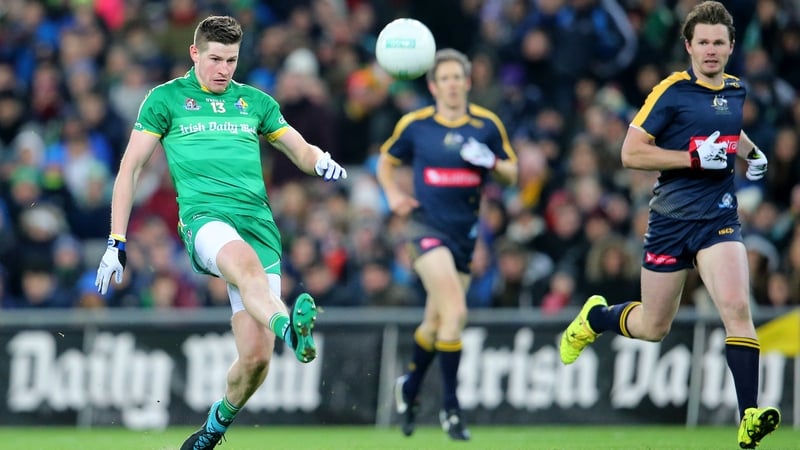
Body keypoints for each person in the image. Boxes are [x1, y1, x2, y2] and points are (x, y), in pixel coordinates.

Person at [94, 16, 347, 450]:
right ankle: (293, 333)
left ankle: (213, 428)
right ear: (195, 54)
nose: (223, 69)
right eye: (215, 59)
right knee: (245, 269)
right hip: (205, 219)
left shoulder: (256, 102)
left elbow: (298, 148)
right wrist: (116, 239)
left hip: (259, 225)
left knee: (254, 360)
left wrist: (319, 160)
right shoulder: (165, 100)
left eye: (231, 60)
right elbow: (130, 167)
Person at [558, 3, 779, 449]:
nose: (712, 50)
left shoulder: (736, 90)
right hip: (670, 223)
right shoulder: (672, 91)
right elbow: (630, 153)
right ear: (689, 46)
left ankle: (748, 417)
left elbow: (728, 133)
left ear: (732, 47)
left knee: (737, 308)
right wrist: (691, 159)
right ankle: (596, 318)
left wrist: (750, 153)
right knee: (654, 327)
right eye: (704, 43)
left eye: (719, 42)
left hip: (718, 218)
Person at [376, 48, 518, 441]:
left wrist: (489, 162)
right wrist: (392, 195)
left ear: (468, 82)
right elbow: (386, 161)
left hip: (464, 237)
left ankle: (410, 385)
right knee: (456, 312)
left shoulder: (486, 125)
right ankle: (451, 410)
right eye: (446, 78)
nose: (453, 84)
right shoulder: (417, 124)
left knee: (436, 322)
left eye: (459, 77)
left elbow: (512, 173)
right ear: (433, 85)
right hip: (423, 229)